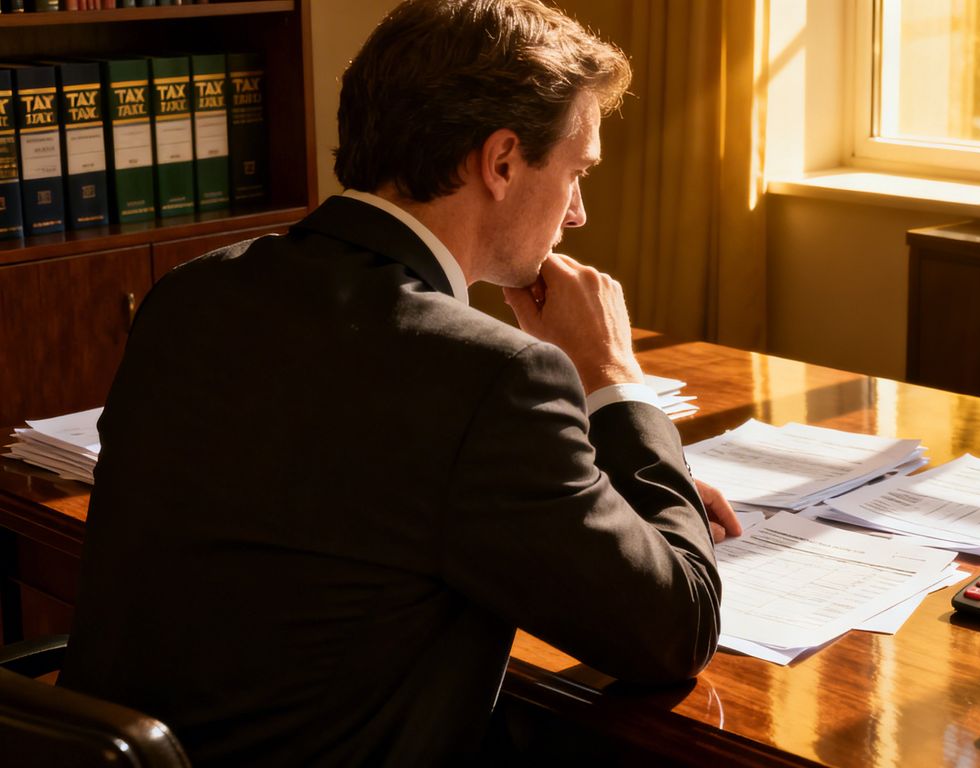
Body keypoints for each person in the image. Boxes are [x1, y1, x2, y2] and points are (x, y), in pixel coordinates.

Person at [59, 0, 740, 764]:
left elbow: (349, 481)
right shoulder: (490, 378)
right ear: (502, 161)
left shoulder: (191, 294)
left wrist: (595, 486)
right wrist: (612, 373)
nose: (577, 212)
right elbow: (676, 629)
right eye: (576, 172)